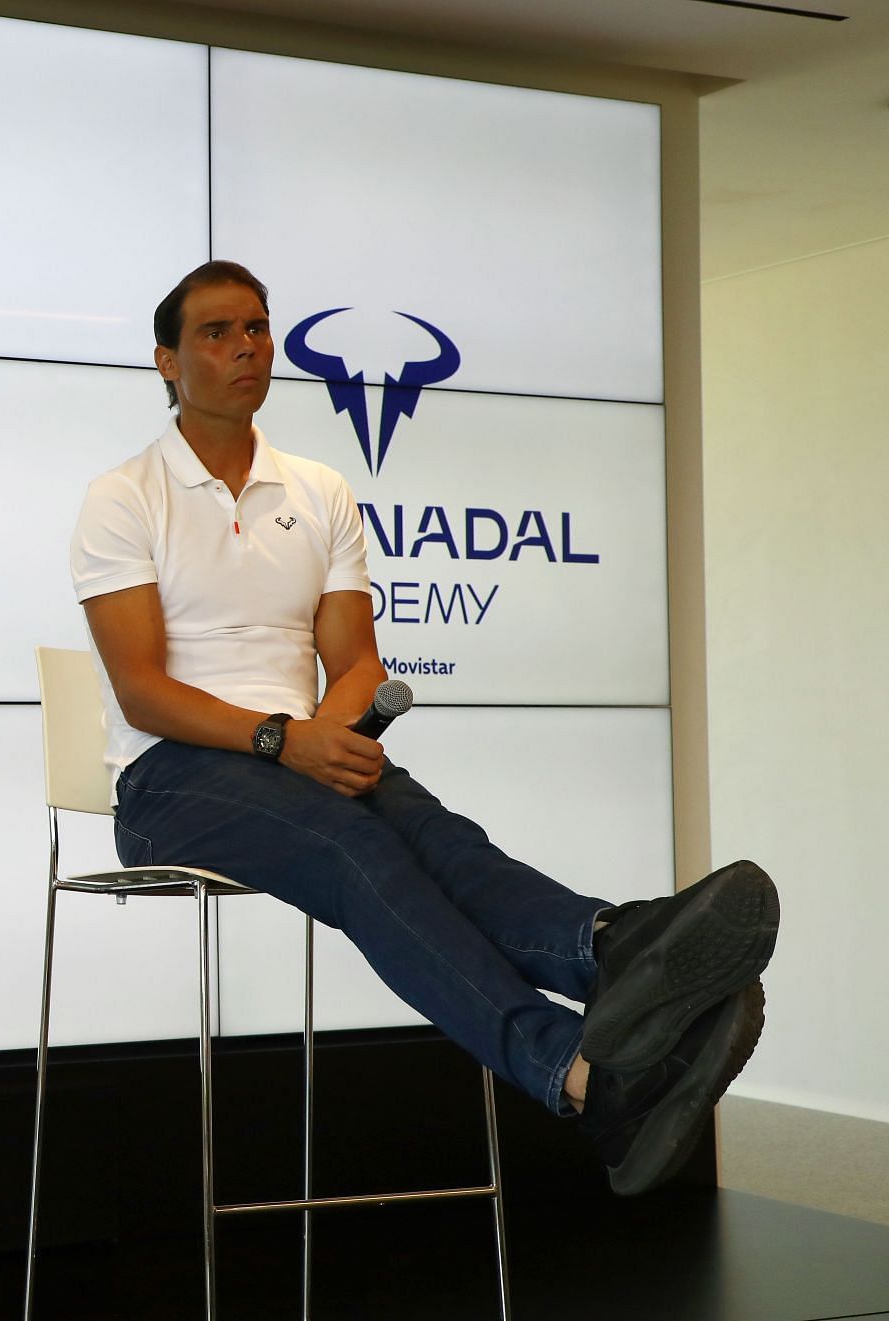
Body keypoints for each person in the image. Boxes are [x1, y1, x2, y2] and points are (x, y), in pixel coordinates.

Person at [69, 260, 778, 1196]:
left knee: (440, 837)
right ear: (166, 361)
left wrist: (322, 734)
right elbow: (142, 692)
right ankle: (577, 1069)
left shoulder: (317, 488)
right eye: (216, 332)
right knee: (360, 855)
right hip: (170, 782)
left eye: (257, 327)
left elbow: (355, 658)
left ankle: (613, 948)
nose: (246, 347)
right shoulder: (123, 497)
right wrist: (288, 744)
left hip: (298, 755)